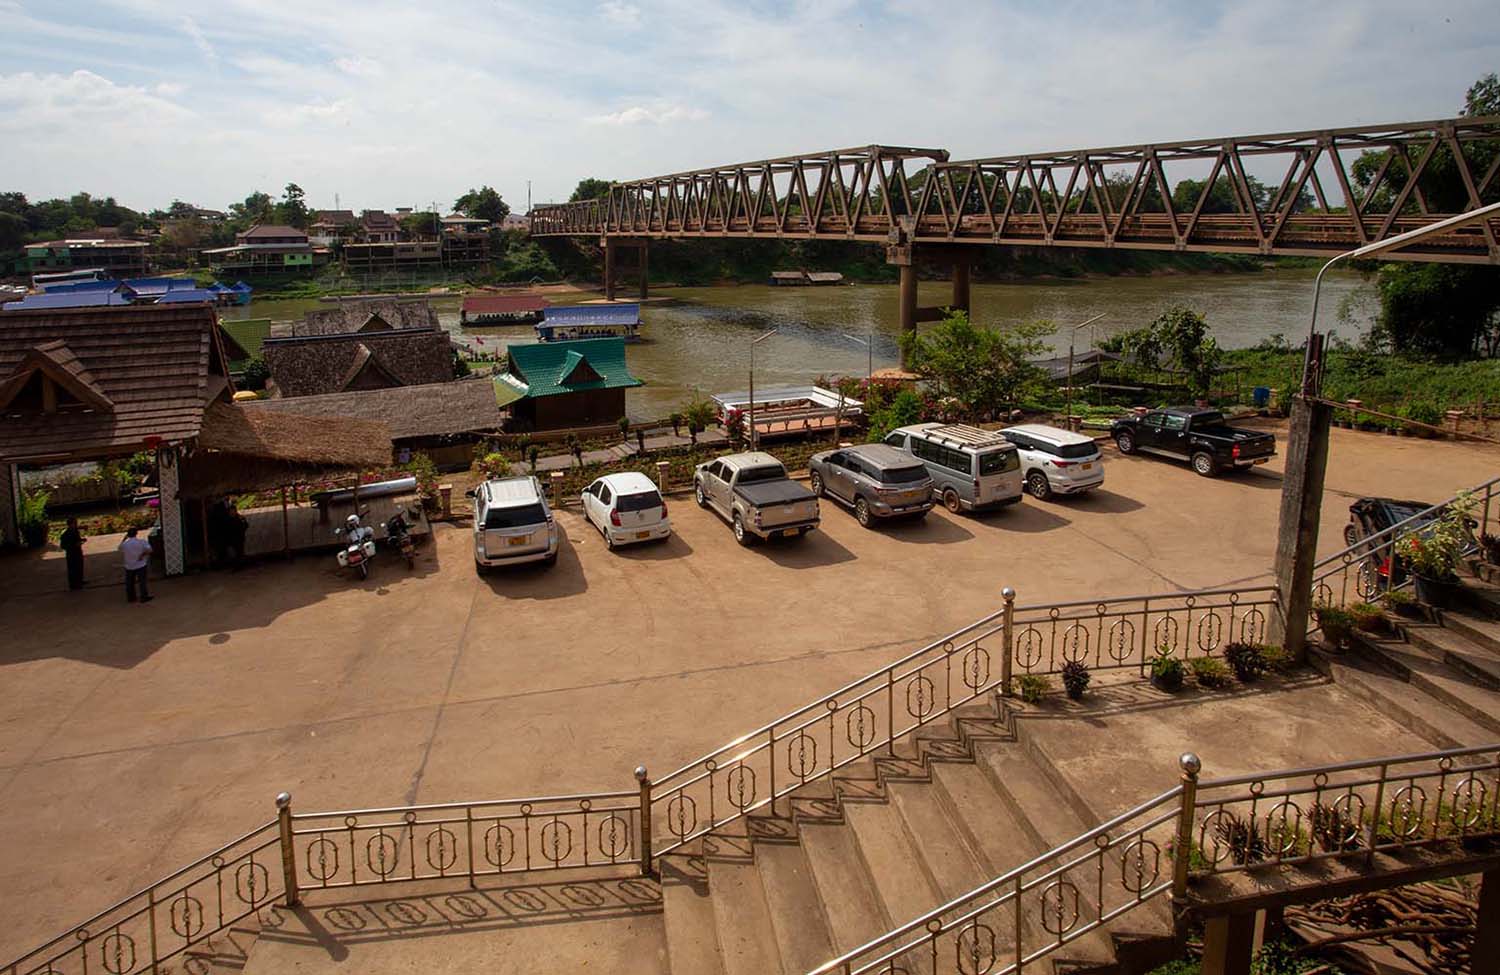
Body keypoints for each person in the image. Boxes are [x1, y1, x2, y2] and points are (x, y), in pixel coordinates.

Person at [119, 526, 153, 604]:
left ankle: (131, 597)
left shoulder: (125, 544)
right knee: (142, 582)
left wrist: (124, 539)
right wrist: (142, 554)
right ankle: (143, 596)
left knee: (130, 583)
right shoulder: (142, 542)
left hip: (129, 565)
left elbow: (119, 547)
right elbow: (150, 550)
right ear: (136, 533)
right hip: (140, 564)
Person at [60, 517, 86, 591]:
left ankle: (80, 581)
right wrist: (74, 545)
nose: (76, 525)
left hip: (78, 551)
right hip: (71, 553)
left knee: (79, 566)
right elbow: (63, 546)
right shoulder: (65, 534)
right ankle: (74, 585)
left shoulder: (75, 531)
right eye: (74, 523)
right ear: (70, 524)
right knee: (72, 569)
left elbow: (77, 539)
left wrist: (81, 540)